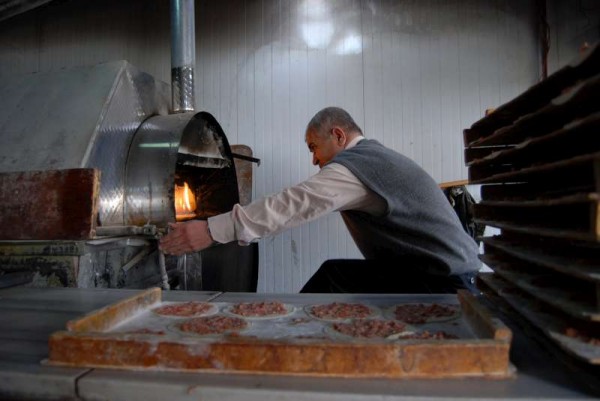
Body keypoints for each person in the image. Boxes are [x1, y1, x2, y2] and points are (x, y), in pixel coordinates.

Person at [160, 106, 481, 293]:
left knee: (333, 281)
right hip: (443, 274)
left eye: (314, 147)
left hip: (448, 283)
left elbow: (294, 204)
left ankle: (290, 353)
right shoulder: (374, 159)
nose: (314, 160)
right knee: (334, 276)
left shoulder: (359, 167)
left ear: (339, 136)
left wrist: (212, 230)